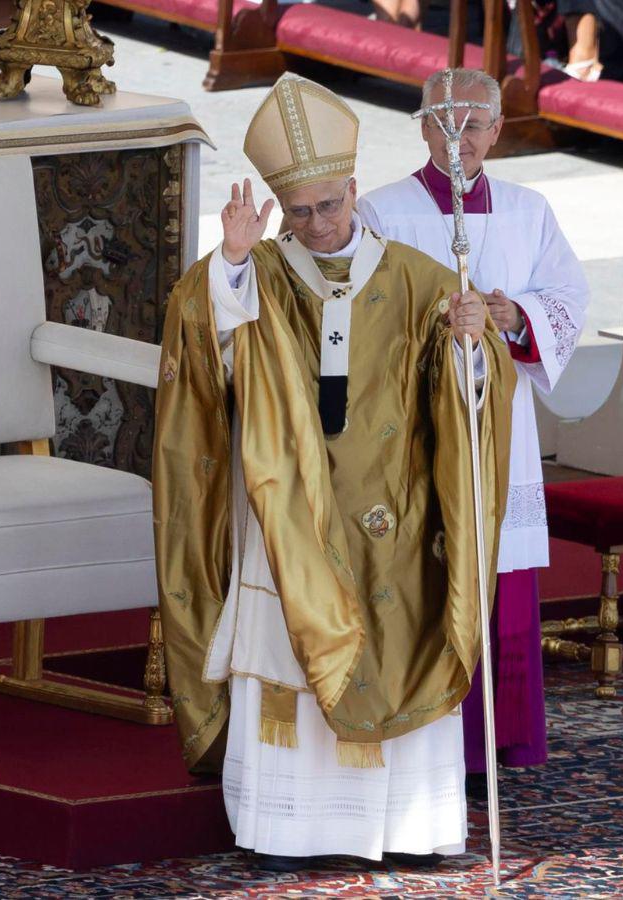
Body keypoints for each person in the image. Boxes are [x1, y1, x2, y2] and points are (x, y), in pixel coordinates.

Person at [153, 72, 516, 872]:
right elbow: (206, 351)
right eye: (301, 211)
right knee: (290, 653)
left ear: (355, 189)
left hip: (394, 511)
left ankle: (407, 827)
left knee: (398, 639)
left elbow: (472, 398)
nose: (317, 225)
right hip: (290, 508)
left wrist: (470, 344)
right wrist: (235, 262)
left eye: (331, 205)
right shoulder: (263, 272)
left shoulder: (422, 277)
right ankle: (291, 830)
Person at [358, 67, 589, 786]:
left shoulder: (528, 209)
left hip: (504, 427)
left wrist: (512, 315)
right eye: (446, 123)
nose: (461, 139)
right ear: (423, 127)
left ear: (497, 130)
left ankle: (501, 739)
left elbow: (567, 297)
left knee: (500, 574)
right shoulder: (380, 212)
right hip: (419, 424)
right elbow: (362, 316)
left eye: (476, 124)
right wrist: (439, 323)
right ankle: (428, 739)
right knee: (425, 569)